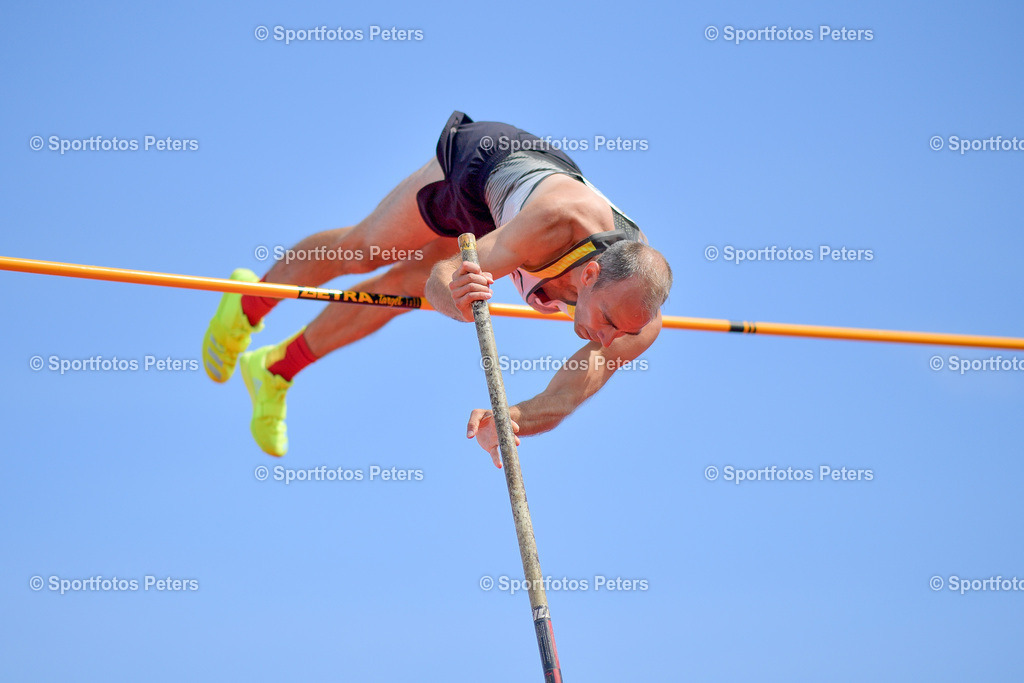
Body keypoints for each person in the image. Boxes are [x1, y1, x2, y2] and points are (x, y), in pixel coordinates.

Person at [202, 111, 672, 463]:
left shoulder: (635, 316)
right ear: (589, 275)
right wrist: (457, 300)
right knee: (365, 250)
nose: (609, 339)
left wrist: (512, 421)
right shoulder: (554, 224)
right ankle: (246, 304)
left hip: (514, 212)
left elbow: (568, 394)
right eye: (607, 321)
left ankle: (274, 369)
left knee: (399, 291)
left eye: (620, 332)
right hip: (481, 169)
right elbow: (441, 279)